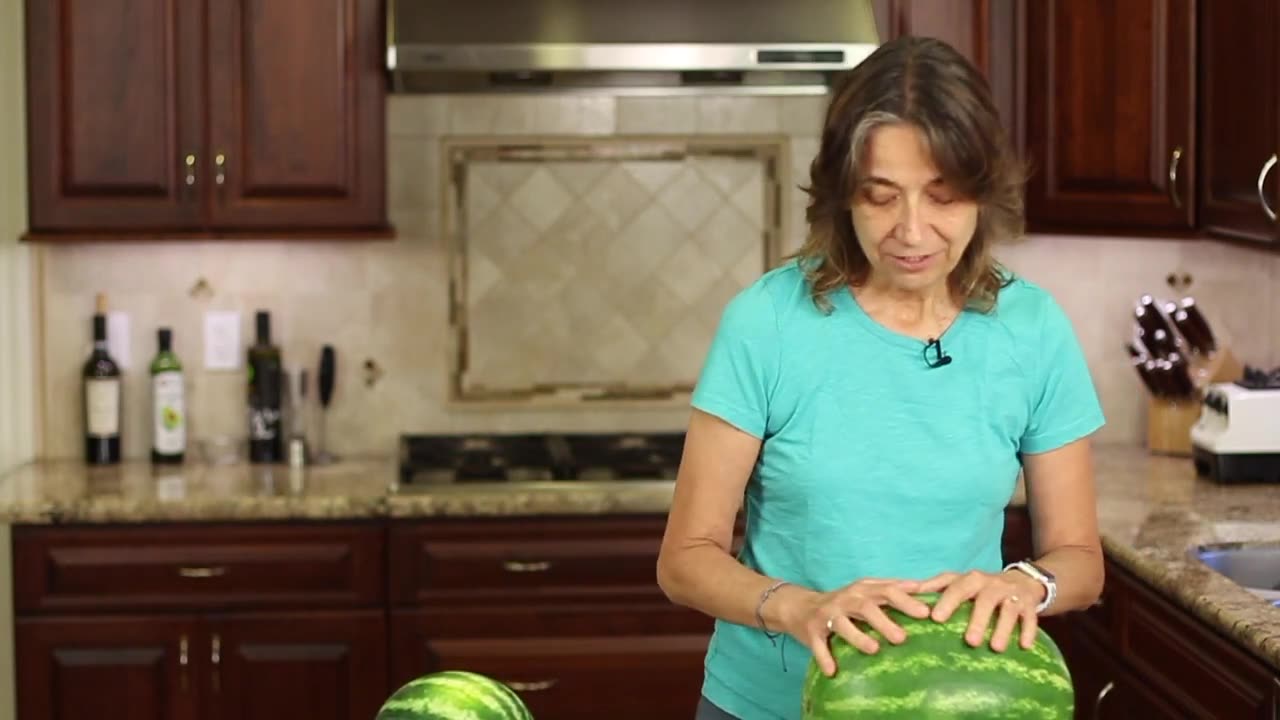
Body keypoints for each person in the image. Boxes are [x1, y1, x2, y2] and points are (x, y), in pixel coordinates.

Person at [656, 35, 1106, 720]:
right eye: (881, 196)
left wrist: (1028, 585)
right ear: (843, 194)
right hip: (767, 705)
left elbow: (1078, 557)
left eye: (943, 196)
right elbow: (685, 559)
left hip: (958, 706)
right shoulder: (767, 323)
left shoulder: (1032, 329)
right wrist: (803, 608)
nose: (913, 230)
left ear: (981, 193)